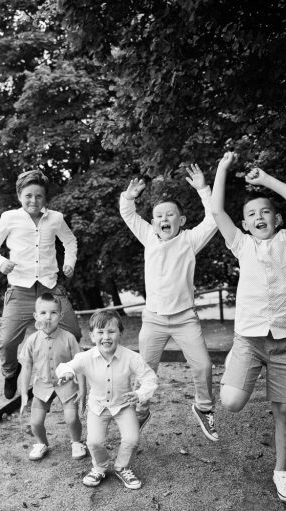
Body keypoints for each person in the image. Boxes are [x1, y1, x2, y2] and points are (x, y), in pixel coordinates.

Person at [210, 151, 286, 504]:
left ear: (278, 219)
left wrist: (265, 180)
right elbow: (217, 212)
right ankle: (234, 376)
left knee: (284, 409)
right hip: (249, 341)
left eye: (265, 211)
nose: (258, 217)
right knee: (231, 401)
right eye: (251, 214)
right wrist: (223, 168)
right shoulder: (241, 245)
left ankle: (281, 472)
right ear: (245, 224)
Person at [119, 164, 219, 441]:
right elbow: (127, 214)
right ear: (152, 223)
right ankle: (141, 412)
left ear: (182, 220)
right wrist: (129, 197)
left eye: (170, 214)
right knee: (145, 371)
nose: (164, 218)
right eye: (159, 215)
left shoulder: (189, 240)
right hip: (153, 319)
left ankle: (204, 407)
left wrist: (202, 188)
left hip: (185, 318)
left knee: (203, 366)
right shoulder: (148, 237)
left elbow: (213, 218)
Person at [0, 170, 82, 399]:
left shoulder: (55, 218)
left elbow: (70, 241)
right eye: (28, 195)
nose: (33, 201)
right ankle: (10, 372)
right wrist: (1, 263)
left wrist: (69, 262)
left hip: (50, 287)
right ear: (19, 195)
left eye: (39, 196)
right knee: (7, 342)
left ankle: (59, 372)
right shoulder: (9, 218)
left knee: (74, 332)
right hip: (20, 289)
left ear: (45, 197)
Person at [55, 310, 158, 490]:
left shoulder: (131, 357)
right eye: (100, 332)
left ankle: (122, 467)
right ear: (92, 335)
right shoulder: (86, 357)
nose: (106, 337)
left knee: (132, 439)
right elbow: (66, 366)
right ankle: (99, 467)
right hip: (98, 406)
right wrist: (68, 373)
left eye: (111, 331)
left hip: (124, 405)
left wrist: (140, 394)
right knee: (93, 442)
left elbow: (150, 378)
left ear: (120, 333)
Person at [19, 293, 87, 461]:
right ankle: (41, 443)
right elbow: (26, 366)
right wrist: (24, 394)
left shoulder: (69, 338)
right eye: (43, 313)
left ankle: (77, 442)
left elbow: (80, 364)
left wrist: (83, 390)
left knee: (71, 419)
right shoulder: (32, 340)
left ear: (60, 316)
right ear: (36, 316)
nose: (48, 317)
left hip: (67, 384)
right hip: (43, 385)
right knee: (35, 423)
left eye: (53, 313)